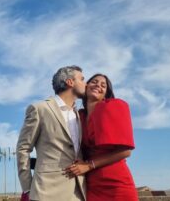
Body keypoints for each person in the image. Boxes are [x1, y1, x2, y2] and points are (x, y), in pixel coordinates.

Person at [16, 66, 87, 201]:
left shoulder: (78, 114)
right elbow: (23, 148)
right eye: (82, 79)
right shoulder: (40, 109)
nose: (86, 83)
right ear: (70, 82)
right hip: (47, 192)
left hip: (78, 191)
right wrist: (27, 188)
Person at [65, 73, 138, 201]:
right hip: (92, 183)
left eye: (103, 85)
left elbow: (126, 152)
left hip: (116, 182)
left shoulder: (113, 107)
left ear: (106, 93)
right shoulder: (78, 116)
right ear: (86, 87)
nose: (98, 85)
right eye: (94, 82)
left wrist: (89, 165)